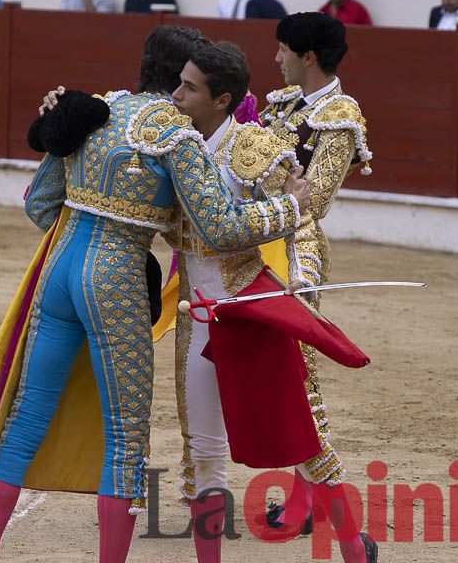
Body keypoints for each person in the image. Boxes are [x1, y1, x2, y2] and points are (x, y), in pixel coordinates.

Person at [0, 25, 310, 563]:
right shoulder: (176, 133)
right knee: (126, 438)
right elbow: (217, 227)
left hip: (59, 272)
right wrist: (289, 209)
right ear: (179, 78)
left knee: (26, 417)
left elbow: (38, 204)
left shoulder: (93, 112)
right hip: (116, 280)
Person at [165, 41, 338, 563]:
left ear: (221, 99)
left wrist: (300, 284)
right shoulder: (176, 144)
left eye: (189, 87)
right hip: (197, 318)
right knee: (202, 452)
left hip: (252, 311)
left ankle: (354, 549)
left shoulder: (255, 150)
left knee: (303, 441)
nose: (176, 94)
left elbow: (302, 216)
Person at [257, 12, 377, 563]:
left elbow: (318, 197)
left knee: (296, 372)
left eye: (283, 49)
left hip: (300, 253)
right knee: (278, 370)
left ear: (307, 57)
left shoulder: (341, 113)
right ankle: (307, 498)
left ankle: (318, 498)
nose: (276, 57)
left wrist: (270, 173)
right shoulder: (282, 104)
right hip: (256, 239)